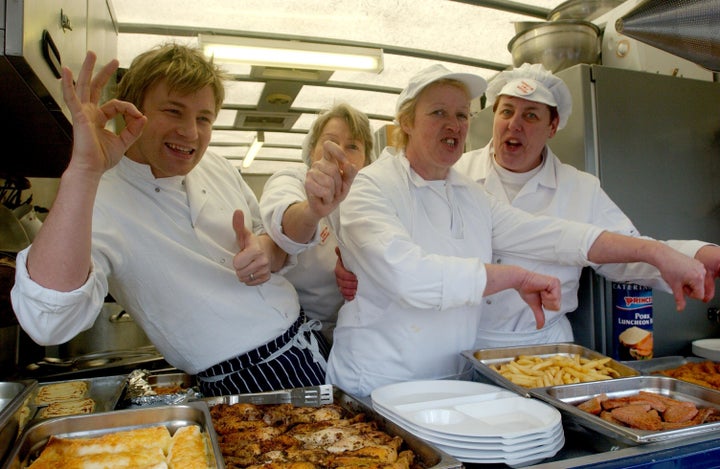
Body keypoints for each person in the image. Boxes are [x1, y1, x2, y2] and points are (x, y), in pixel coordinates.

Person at [325, 63, 712, 397]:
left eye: (461, 115)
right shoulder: (375, 185)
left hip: (462, 373)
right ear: (406, 122)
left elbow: (557, 236)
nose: (453, 125)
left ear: (552, 126)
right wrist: (511, 276)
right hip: (380, 380)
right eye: (438, 113)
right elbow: (409, 275)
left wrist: (664, 252)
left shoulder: (467, 193)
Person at [10, 44, 327, 396]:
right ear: (133, 112)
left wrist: (266, 252)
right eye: (173, 111)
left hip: (309, 343)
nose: (190, 132)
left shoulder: (218, 166)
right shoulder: (96, 196)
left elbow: (273, 245)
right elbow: (48, 322)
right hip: (242, 381)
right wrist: (83, 171)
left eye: (204, 118)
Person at [452, 62, 720, 348]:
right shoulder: (456, 175)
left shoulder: (579, 188)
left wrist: (697, 254)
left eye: (531, 115)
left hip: (546, 347)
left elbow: (624, 253)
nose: (514, 123)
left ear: (552, 127)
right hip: (467, 341)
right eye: (506, 111)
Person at [260, 103, 373, 347]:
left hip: (357, 333)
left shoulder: (372, 197)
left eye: (352, 146)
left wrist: (362, 271)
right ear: (312, 151)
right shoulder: (292, 180)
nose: (338, 151)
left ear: (365, 161)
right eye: (329, 141)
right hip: (294, 334)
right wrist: (312, 210)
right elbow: (284, 225)